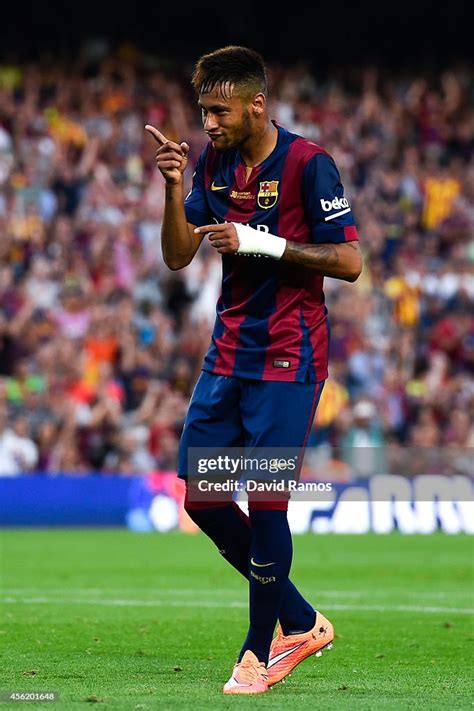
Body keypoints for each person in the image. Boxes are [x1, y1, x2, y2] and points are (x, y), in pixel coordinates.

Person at [145, 46, 362, 695]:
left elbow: (351, 261)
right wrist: (173, 184)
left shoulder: (308, 163)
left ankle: (256, 650)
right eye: (203, 109)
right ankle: (299, 618)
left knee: (266, 500)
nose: (208, 122)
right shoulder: (210, 163)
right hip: (229, 352)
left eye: (219, 109)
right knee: (205, 497)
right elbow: (180, 255)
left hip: (289, 355)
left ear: (255, 104)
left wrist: (264, 242)